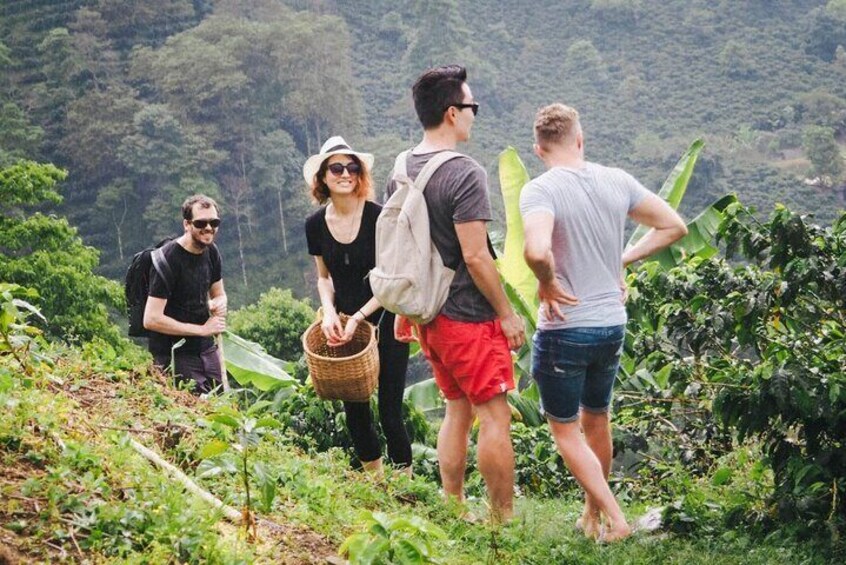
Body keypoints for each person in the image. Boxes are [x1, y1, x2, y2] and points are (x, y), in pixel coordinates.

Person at [520, 103, 688, 542]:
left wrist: (548, 282)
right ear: (580, 139)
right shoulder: (618, 180)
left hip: (565, 328)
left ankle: (616, 520)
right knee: (598, 421)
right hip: (612, 324)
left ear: (539, 149)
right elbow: (674, 226)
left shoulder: (541, 190)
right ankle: (590, 517)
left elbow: (536, 252)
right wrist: (622, 259)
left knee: (565, 431)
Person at [388, 65, 526, 522]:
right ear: (451, 112)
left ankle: (453, 504)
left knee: (456, 409)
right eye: (472, 107)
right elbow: (477, 256)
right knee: (494, 417)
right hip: (467, 314)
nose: (474, 116)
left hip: (428, 316)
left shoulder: (401, 167)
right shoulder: (465, 173)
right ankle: (501, 519)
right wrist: (506, 313)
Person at [304, 136, 412, 475]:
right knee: (356, 408)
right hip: (345, 322)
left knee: (391, 410)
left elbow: (394, 276)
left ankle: (406, 487)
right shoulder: (315, 225)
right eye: (337, 168)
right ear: (322, 177)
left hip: (385, 318)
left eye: (352, 167)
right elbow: (324, 277)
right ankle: (375, 483)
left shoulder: (380, 218)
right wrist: (330, 313)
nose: (345, 174)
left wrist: (360, 317)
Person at [144, 194, 227, 394]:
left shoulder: (212, 251)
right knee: (195, 411)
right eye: (201, 223)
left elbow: (219, 293)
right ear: (187, 224)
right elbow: (151, 319)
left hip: (206, 349)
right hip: (175, 352)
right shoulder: (168, 260)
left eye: (214, 222)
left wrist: (219, 303)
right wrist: (201, 330)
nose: (208, 228)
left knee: (222, 405)